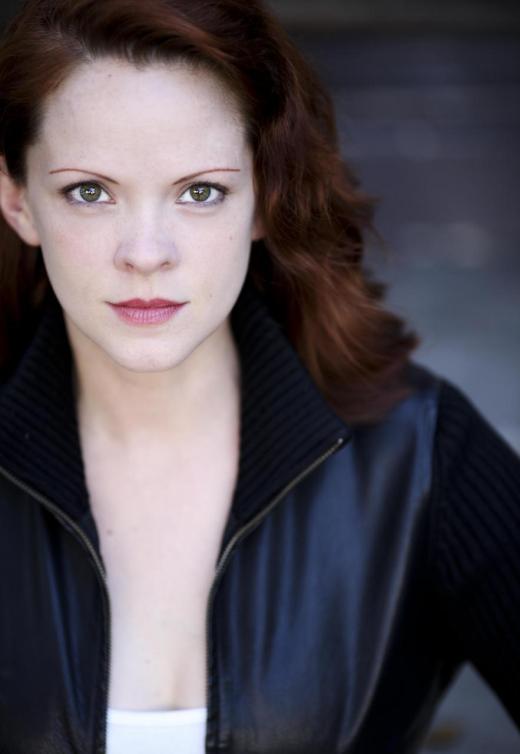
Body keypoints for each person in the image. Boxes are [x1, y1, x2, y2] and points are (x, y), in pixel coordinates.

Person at [0, 0, 518, 752]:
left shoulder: (420, 459)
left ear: (264, 199)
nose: (145, 253)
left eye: (199, 192)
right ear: (18, 200)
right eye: (90, 191)